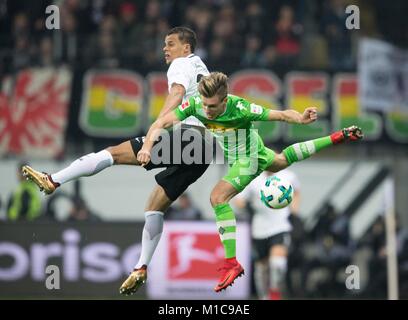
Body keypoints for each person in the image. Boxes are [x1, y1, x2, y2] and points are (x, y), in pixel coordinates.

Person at [21, 27, 211, 295]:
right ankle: (141, 267)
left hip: (188, 139)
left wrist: (157, 126)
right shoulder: (202, 67)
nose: (165, 49)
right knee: (155, 206)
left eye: (170, 44)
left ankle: (53, 180)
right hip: (203, 152)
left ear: (186, 48)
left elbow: (177, 94)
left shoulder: (180, 64)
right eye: (164, 45)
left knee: (112, 153)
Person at [136, 71, 363, 292]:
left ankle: (232, 262)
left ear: (225, 100)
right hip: (257, 151)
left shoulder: (241, 108)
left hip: (248, 158)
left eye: (213, 106)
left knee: (217, 197)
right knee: (282, 161)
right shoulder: (196, 104)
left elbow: (282, 115)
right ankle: (337, 137)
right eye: (205, 104)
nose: (207, 110)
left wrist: (301, 119)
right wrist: (147, 146)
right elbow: (161, 122)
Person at [233, 169, 300, 300]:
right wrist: (246, 206)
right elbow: (238, 199)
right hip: (260, 229)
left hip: (281, 226)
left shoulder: (288, 175)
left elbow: (297, 191)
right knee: (261, 267)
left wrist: (294, 210)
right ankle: (264, 296)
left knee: (278, 263)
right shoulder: (252, 178)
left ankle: (275, 292)